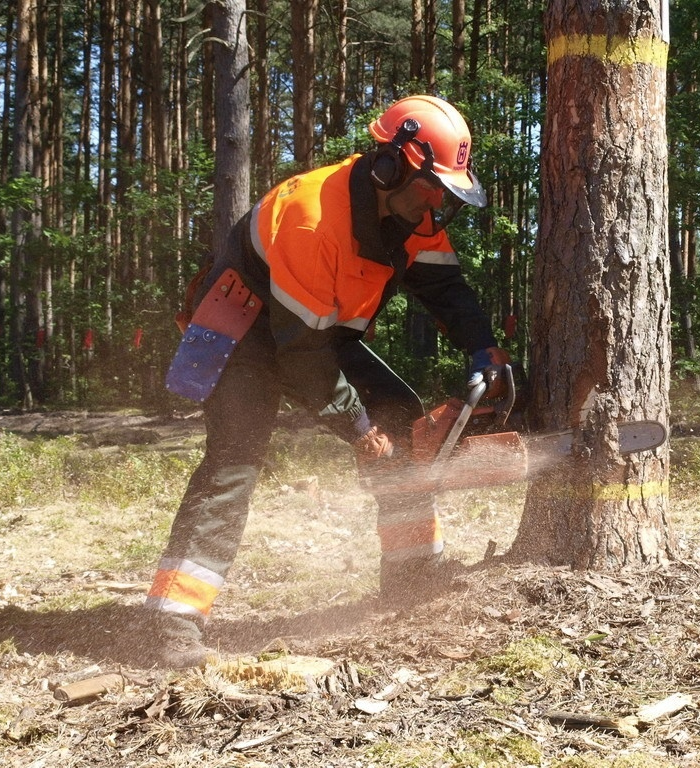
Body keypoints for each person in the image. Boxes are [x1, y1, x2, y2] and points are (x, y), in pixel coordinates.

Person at [144, 94, 510, 669]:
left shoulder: (412, 216)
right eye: (430, 188)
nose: (436, 203)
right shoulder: (312, 218)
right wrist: (356, 427)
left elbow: (445, 289)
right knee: (235, 459)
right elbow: (303, 359)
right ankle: (172, 620)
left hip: (314, 333)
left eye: (445, 191)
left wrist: (482, 346)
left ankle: (412, 572)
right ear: (389, 167)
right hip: (242, 332)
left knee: (399, 413)